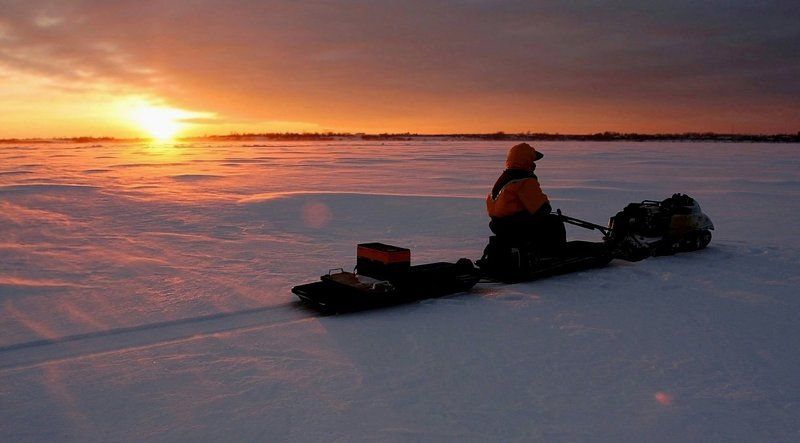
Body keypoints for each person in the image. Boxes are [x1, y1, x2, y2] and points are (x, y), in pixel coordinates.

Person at [485, 143, 566, 253]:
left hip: (500, 226)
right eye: (532, 161)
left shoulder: (504, 178)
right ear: (527, 162)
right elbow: (541, 209)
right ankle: (554, 254)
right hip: (515, 226)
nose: (534, 164)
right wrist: (546, 207)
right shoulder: (525, 181)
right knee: (554, 222)